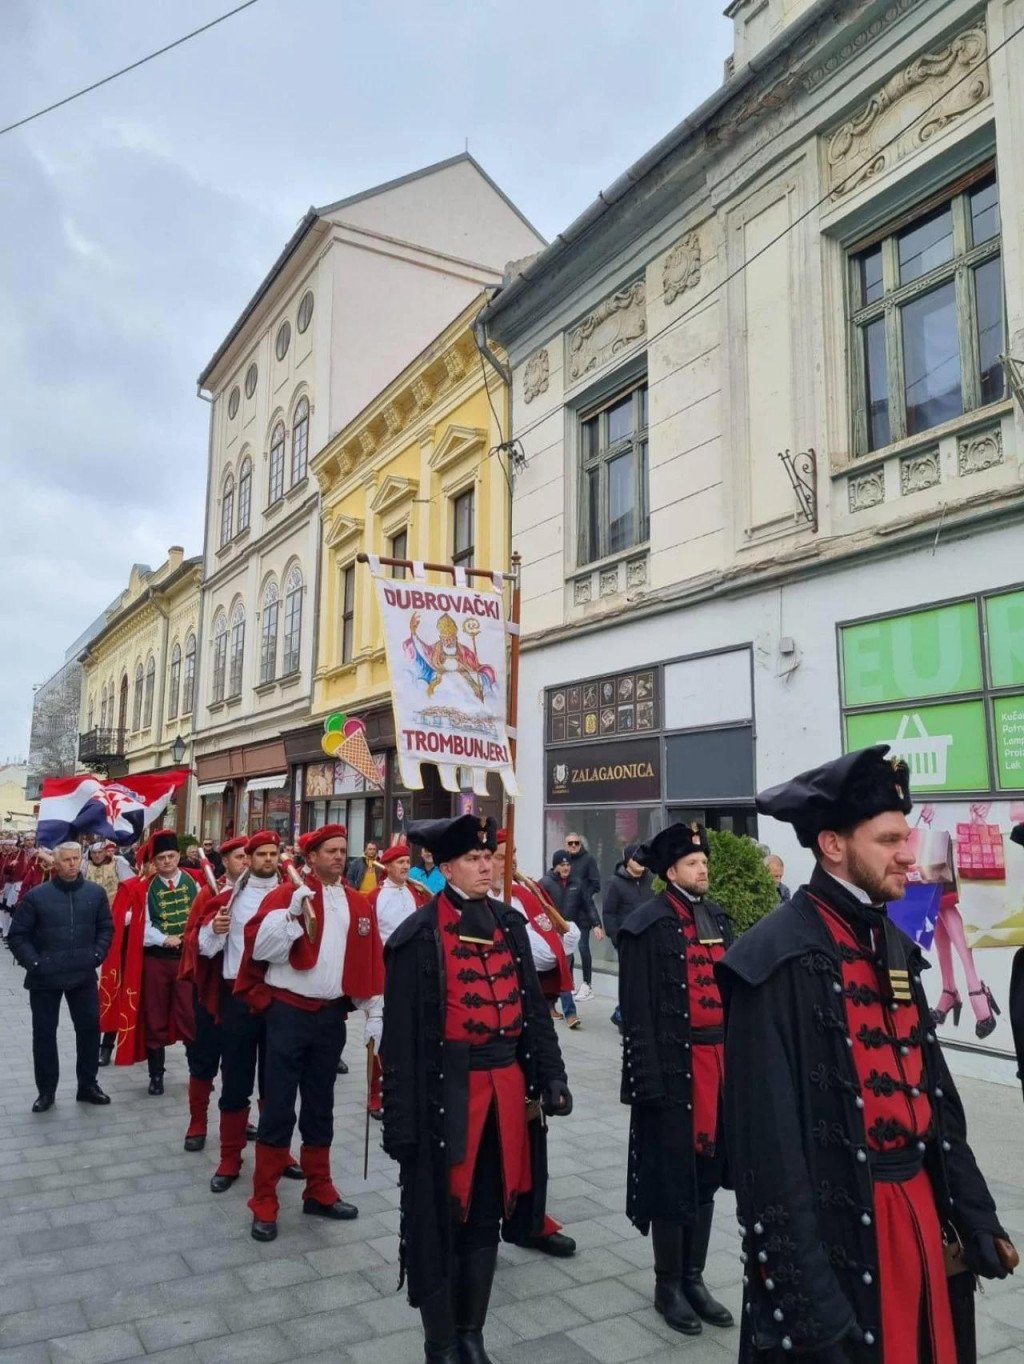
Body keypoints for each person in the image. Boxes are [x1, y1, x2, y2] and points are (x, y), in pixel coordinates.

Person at [720, 746, 1018, 1362]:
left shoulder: (894, 941)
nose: (909, 854)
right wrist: (813, 1311)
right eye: (889, 840)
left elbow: (936, 1097)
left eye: (905, 836)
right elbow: (766, 1156)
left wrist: (977, 1215)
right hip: (842, 1233)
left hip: (918, 1211)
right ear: (833, 845)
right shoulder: (770, 960)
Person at [382, 814, 573, 1364]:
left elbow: (536, 1012)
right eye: (473, 859)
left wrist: (553, 1075)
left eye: (490, 857)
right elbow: (400, 1044)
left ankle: (472, 1333)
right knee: (442, 1218)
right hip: (447, 1095)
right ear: (445, 868)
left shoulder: (511, 925)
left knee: (487, 1212)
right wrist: (401, 1126)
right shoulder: (417, 938)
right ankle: (440, 1342)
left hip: (507, 1094)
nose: (486, 865)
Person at [234, 823, 384, 1242]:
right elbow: (260, 952)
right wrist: (290, 918)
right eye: (330, 851)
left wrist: (374, 1007)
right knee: (279, 1106)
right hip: (287, 1015)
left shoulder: (357, 903)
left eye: (342, 850)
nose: (338, 856)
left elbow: (368, 958)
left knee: (321, 1106)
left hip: (330, 1018)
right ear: (311, 857)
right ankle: (264, 1198)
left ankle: (319, 1189)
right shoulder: (286, 895)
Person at [617, 823, 735, 1337]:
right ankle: (668, 1284)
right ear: (670, 872)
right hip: (672, 1069)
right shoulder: (646, 924)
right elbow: (636, 1012)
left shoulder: (718, 917)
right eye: (692, 863)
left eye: (704, 861)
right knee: (671, 1175)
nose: (702, 867)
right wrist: (646, 1083)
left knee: (706, 1176)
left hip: (720, 1068)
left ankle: (695, 1276)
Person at [193, 830, 301, 1193]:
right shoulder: (228, 899)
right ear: (249, 858)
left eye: (274, 854)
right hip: (238, 998)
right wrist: (214, 928)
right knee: (236, 1078)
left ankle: (279, 1150)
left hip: (279, 999)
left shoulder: (292, 896)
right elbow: (204, 950)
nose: (268, 860)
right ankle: (230, 1155)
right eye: (261, 854)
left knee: (278, 1082)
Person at [491, 830, 578, 1259]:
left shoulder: (523, 894)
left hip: (529, 1018)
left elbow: (548, 951)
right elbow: (540, 955)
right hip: (487, 1039)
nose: (504, 865)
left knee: (533, 1124)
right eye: (497, 856)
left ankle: (529, 1216)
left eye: (511, 855)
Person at [9, 841, 113, 1113]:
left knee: (89, 1030)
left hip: (83, 974)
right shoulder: (37, 896)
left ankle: (87, 1085)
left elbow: (105, 927)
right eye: (65, 859)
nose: (71, 864)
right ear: (55, 862)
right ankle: (46, 1091)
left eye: (75, 859)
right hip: (45, 978)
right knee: (44, 1034)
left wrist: (96, 955)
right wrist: (34, 963)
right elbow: (18, 935)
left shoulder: (95, 893)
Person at [177, 835, 249, 1152]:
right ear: (226, 861)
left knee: (241, 1064)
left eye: (250, 857)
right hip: (210, 992)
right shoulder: (208, 891)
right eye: (239, 857)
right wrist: (211, 930)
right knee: (203, 1059)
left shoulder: (264, 893)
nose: (245, 863)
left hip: (245, 993)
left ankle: (237, 1121)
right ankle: (198, 1121)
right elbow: (191, 938)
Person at [365, 843, 432, 1117]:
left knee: (410, 1033)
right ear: (388, 866)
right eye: (400, 862)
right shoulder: (374, 897)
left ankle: (403, 1090)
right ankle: (374, 1095)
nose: (406, 866)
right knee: (379, 1034)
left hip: (412, 972)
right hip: (383, 972)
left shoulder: (416, 893)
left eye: (407, 862)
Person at [600, 843, 652, 1029]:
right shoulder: (615, 882)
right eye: (636, 858)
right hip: (627, 941)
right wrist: (617, 938)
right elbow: (609, 913)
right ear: (627, 861)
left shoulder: (651, 880)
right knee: (630, 981)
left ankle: (624, 1014)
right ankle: (623, 1018)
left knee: (645, 981)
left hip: (649, 939)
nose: (640, 862)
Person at [539, 851, 583, 1026]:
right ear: (555, 866)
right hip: (550, 933)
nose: (565, 868)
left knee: (566, 973)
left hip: (569, 934)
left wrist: (595, 923)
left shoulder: (576, 883)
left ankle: (561, 1010)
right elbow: (538, 906)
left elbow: (586, 904)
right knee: (556, 973)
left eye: (568, 865)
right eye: (562, 865)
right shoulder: (545, 883)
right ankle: (559, 1010)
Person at [564, 832, 603, 1001]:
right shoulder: (564, 861)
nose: (573, 846)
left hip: (584, 910)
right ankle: (570, 984)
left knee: (583, 947)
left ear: (580, 844)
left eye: (576, 843)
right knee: (568, 949)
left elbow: (596, 884)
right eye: (570, 843)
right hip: (568, 911)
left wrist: (583, 894)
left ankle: (587, 984)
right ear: (565, 845)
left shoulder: (588, 860)